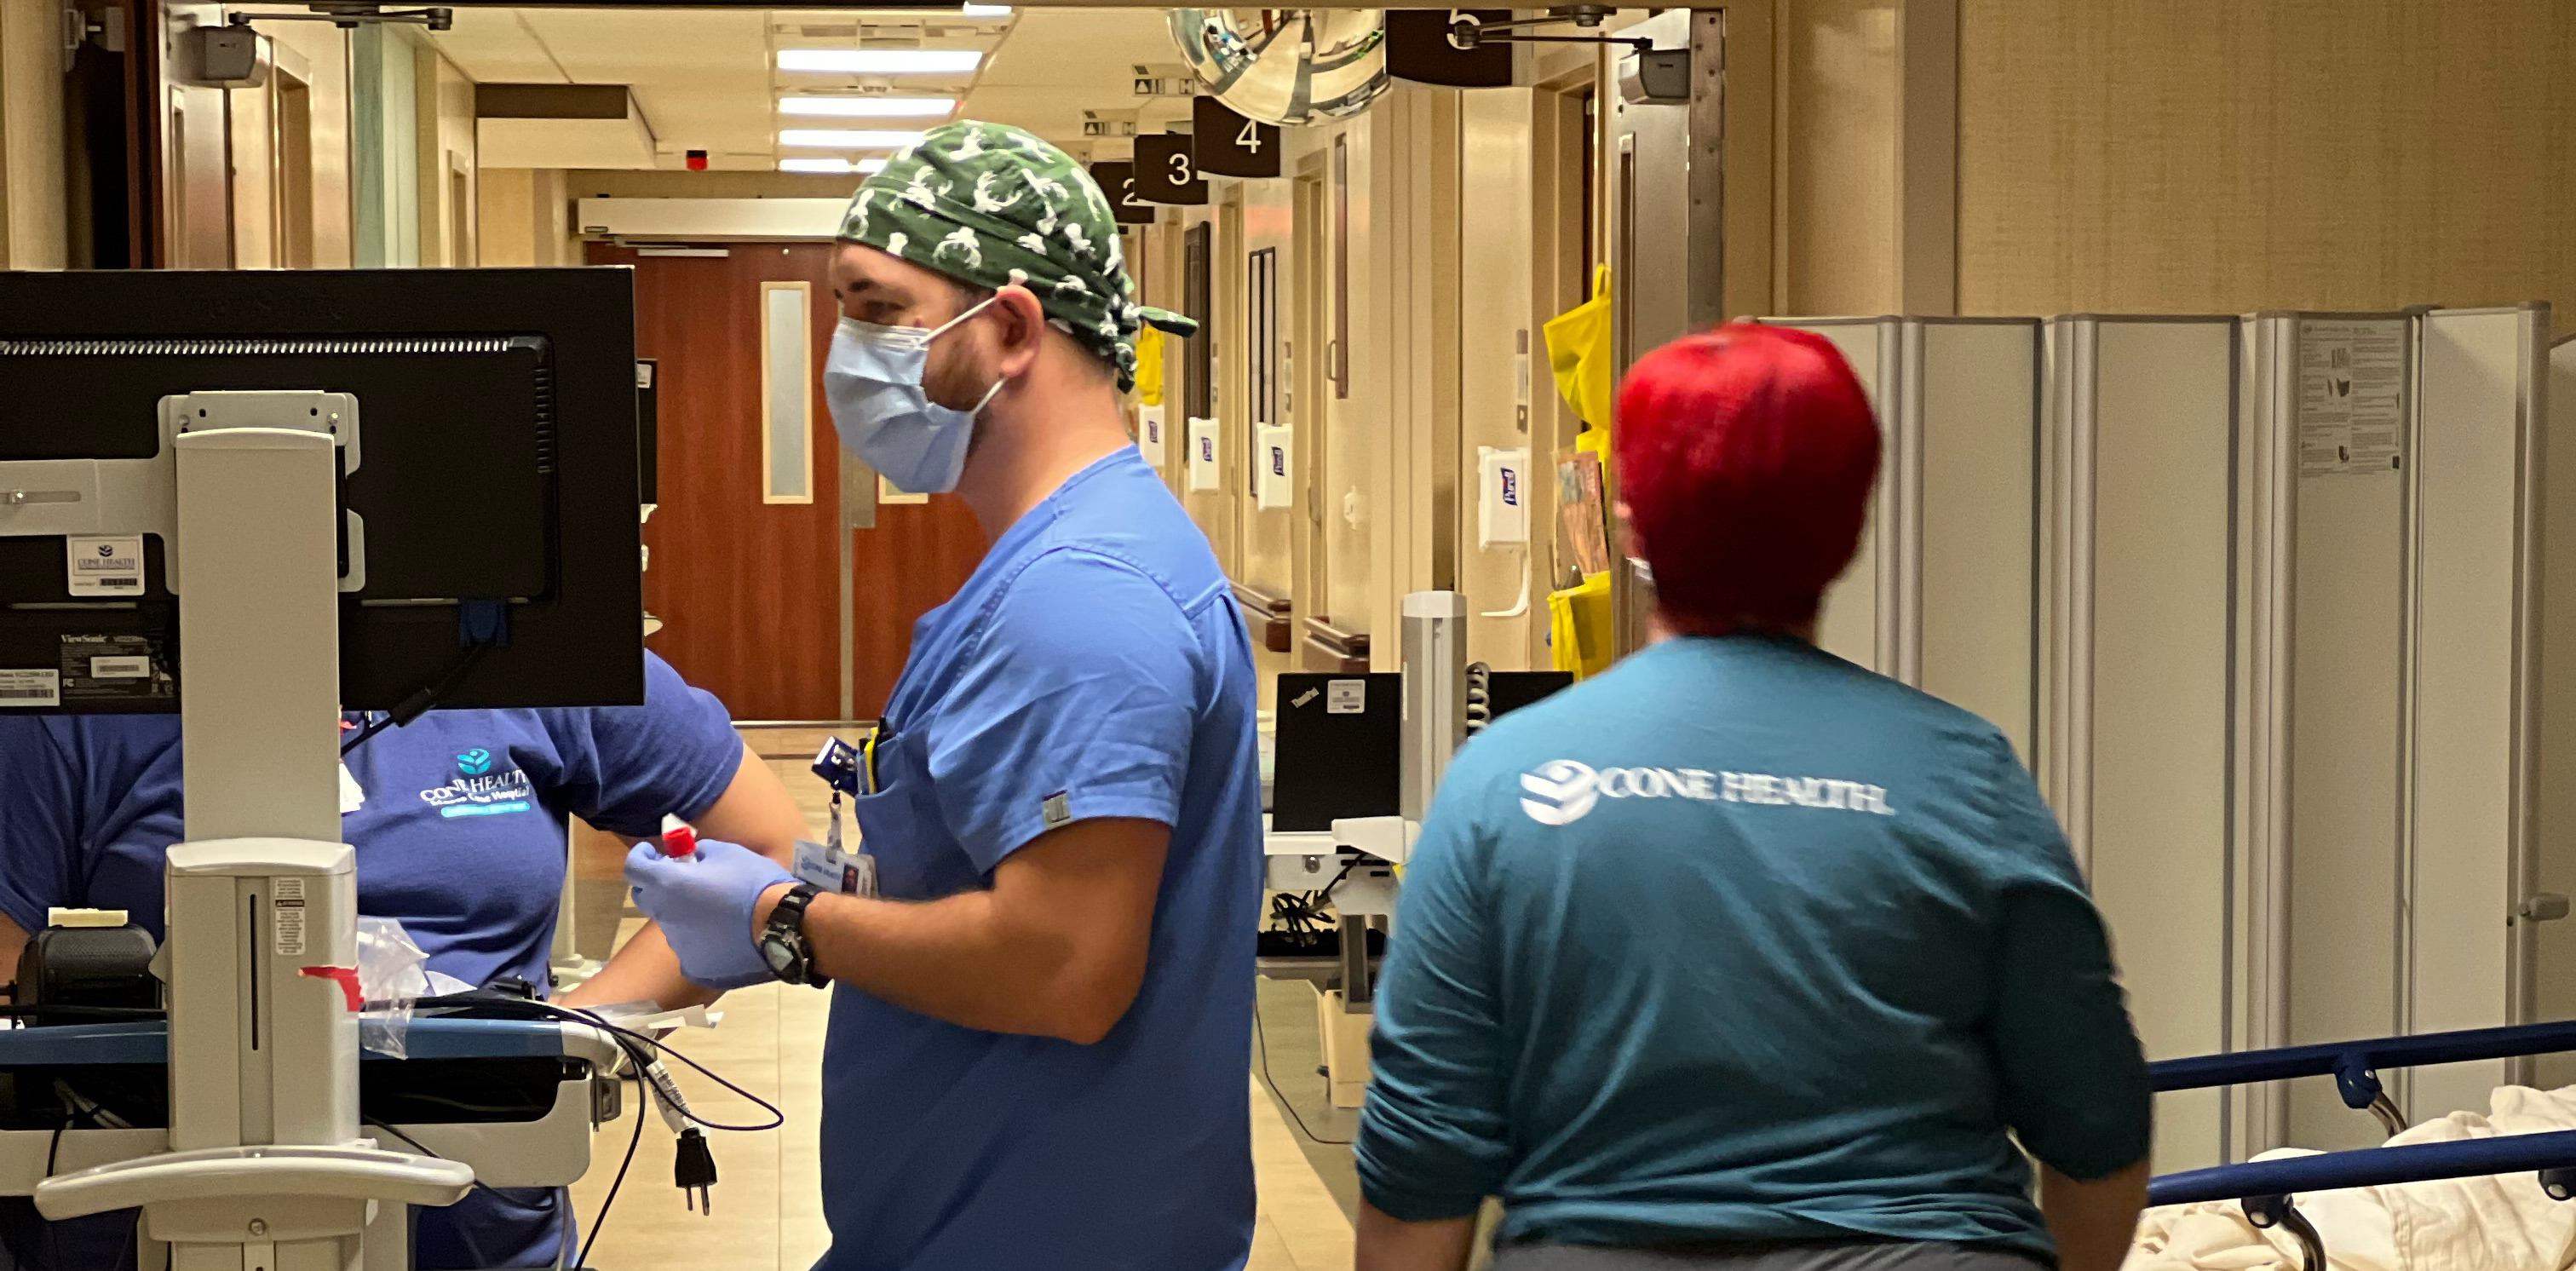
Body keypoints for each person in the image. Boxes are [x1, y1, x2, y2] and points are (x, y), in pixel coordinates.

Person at [1351, 325, 2153, 1271]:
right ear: (1849, 530)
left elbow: (1420, 1169)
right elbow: (2098, 1127)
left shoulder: (1506, 781)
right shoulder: (1963, 774)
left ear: (1634, 527)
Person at [622, 119, 1263, 1271]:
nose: (845, 352)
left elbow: (1063, 969)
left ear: (1010, 327)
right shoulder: (1067, 561)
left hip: (1039, 1238)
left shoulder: (1081, 602)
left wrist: (785, 925)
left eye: (875, 310)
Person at [0, 651, 806, 1270]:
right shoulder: (84, 696)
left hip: (475, 1222)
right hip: (147, 1217)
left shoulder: (522, 650)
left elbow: (760, 851)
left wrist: (576, 1029)